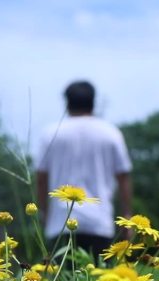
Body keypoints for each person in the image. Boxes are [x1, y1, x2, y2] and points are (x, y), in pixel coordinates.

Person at [36, 80, 132, 266]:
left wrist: (44, 214)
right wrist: (127, 215)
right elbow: (124, 177)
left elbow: (41, 178)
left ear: (67, 102)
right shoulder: (111, 133)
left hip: (60, 223)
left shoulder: (51, 133)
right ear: (93, 101)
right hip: (100, 222)